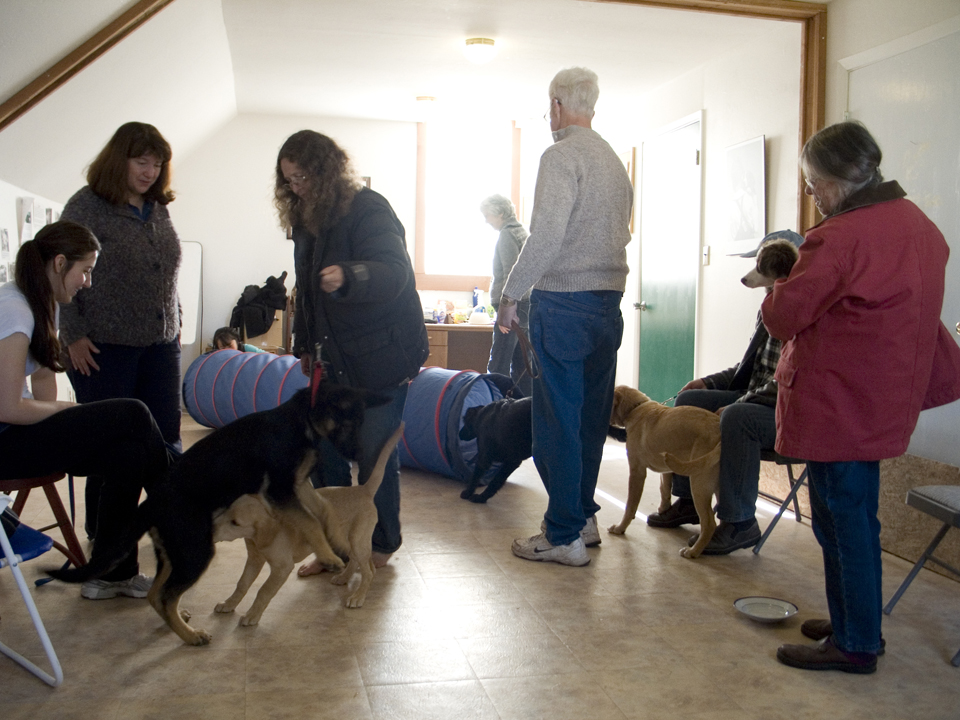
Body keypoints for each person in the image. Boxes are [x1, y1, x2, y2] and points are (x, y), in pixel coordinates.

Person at [763, 121, 960, 674]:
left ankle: (855, 644)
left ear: (838, 177)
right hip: (882, 396)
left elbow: (784, 317)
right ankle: (855, 621)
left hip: (840, 401)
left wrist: (775, 279)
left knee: (842, 520)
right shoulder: (919, 225)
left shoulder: (841, 237)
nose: (810, 194)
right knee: (853, 518)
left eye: (811, 182)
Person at [274, 130, 429, 573]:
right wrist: (304, 344)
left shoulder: (369, 208)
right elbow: (305, 291)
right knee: (322, 451)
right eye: (287, 181)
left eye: (301, 177)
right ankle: (333, 548)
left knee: (375, 450)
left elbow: (395, 273)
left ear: (325, 172)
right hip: (334, 358)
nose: (294, 188)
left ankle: (380, 544)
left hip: (384, 357)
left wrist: (349, 275)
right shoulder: (306, 219)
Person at [497, 67, 633, 566]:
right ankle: (583, 518)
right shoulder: (614, 162)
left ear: (556, 105)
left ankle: (562, 536)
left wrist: (510, 294)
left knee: (555, 422)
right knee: (590, 421)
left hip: (564, 304)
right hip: (608, 305)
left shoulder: (560, 155)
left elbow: (546, 236)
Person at [0, 221, 171, 599]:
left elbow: (43, 378)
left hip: (14, 435)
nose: (87, 282)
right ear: (60, 263)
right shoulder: (15, 311)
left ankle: (112, 573)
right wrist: (66, 411)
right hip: (4, 442)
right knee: (133, 412)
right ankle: (183, 505)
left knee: (127, 452)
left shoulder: (40, 301)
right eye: (86, 270)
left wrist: (73, 418)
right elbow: (8, 407)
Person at [59, 122, 183, 539]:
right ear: (120, 160)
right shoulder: (87, 206)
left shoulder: (157, 206)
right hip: (102, 346)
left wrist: (174, 315)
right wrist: (71, 333)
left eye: (157, 163)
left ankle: (166, 523)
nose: (150, 171)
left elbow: (163, 270)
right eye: (141, 161)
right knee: (116, 446)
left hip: (161, 344)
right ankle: (106, 535)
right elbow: (57, 273)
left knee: (165, 439)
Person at [647, 229, 803, 555]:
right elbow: (748, 368)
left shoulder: (803, 313)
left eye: (762, 267)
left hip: (789, 409)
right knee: (690, 400)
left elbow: (786, 382)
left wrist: (741, 400)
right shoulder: (769, 307)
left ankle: (740, 521)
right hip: (756, 397)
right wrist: (709, 382)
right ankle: (689, 498)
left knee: (736, 417)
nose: (751, 276)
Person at [480, 194, 531, 397]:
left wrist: (506, 310)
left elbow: (512, 272)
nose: (487, 220)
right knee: (522, 362)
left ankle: (492, 405)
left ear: (501, 213)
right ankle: (524, 408)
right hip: (525, 303)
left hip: (511, 306)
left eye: (488, 215)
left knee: (499, 361)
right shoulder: (521, 232)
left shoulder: (507, 235)